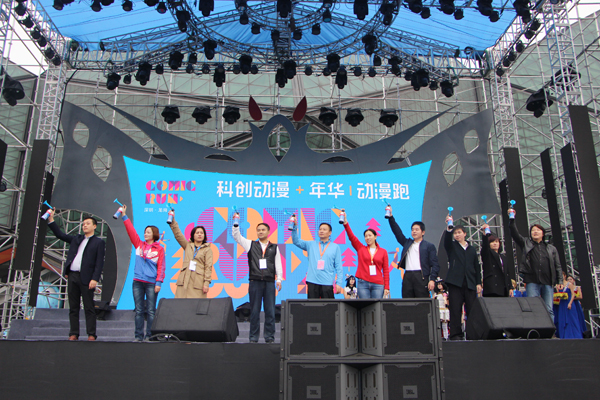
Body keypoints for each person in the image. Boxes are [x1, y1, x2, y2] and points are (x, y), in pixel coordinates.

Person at [47, 210, 106, 341]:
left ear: (94, 226)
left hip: (87, 278)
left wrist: (95, 278)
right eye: (83, 224)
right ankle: (73, 333)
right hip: (73, 275)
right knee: (73, 307)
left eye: (88, 223)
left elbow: (99, 262)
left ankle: (91, 334)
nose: (85, 226)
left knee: (89, 307)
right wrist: (51, 220)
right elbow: (60, 235)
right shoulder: (77, 239)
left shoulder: (98, 242)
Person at [232, 217, 283, 343]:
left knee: (270, 311)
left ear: (268, 232)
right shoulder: (250, 244)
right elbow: (237, 237)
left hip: (269, 282)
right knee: (255, 311)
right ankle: (253, 338)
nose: (260, 232)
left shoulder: (274, 247)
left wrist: (279, 279)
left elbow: (278, 264)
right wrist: (236, 223)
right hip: (255, 281)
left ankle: (269, 337)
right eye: (258, 230)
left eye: (263, 230)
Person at [120, 205, 165, 342]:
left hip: (151, 283)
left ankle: (150, 336)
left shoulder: (159, 249)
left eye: (148, 232)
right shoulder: (139, 244)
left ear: (154, 234)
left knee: (151, 311)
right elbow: (131, 231)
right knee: (139, 311)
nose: (145, 234)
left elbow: (161, 267)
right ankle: (138, 336)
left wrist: (158, 282)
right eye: (145, 232)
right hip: (138, 282)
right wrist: (124, 215)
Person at [508, 208, 563, 317]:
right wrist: (512, 219)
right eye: (533, 230)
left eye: (538, 230)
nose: (535, 232)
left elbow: (557, 266)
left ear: (543, 233)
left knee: (549, 309)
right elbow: (514, 233)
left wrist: (560, 280)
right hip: (532, 280)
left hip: (547, 281)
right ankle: (536, 327)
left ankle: (549, 328)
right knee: (533, 307)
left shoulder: (551, 248)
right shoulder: (526, 243)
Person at [387, 206, 440, 298]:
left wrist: (432, 279)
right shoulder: (407, 243)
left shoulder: (429, 246)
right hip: (408, 276)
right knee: (407, 301)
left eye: (417, 230)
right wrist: (391, 217)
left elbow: (435, 264)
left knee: (422, 302)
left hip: (421, 276)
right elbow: (397, 232)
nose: (414, 231)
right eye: (412, 230)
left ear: (423, 232)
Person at [443, 219, 482, 340]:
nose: (457, 235)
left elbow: (476, 266)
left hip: (470, 282)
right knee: (455, 309)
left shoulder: (471, 249)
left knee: (472, 309)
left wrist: (478, 282)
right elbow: (446, 242)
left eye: (459, 232)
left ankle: (472, 334)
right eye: (455, 233)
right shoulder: (452, 246)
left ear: (465, 233)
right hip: (455, 282)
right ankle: (456, 335)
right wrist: (449, 229)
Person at [292, 221, 343, 298]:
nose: (321, 231)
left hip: (327, 282)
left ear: (330, 233)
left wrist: (338, 283)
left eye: (324, 229)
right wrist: (294, 226)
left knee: (329, 305)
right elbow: (296, 241)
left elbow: (339, 267)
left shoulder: (335, 247)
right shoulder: (311, 244)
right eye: (320, 229)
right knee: (313, 305)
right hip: (312, 282)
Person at [343, 216, 389, 298]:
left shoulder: (383, 251)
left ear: (375, 236)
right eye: (365, 236)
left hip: (378, 284)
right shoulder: (361, 248)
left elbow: (386, 270)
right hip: (363, 283)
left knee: (376, 305)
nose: (367, 238)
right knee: (364, 305)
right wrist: (345, 223)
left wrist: (387, 287)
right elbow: (352, 237)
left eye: (370, 235)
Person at [169, 211, 213, 298]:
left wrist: (206, 283)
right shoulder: (188, 245)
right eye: (197, 233)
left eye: (201, 233)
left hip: (197, 283)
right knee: (181, 304)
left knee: (196, 305)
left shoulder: (207, 249)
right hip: (184, 281)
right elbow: (178, 235)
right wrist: (172, 220)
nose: (199, 235)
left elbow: (208, 267)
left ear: (204, 236)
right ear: (193, 235)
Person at [481, 224, 514, 297]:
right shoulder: (488, 254)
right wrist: (485, 234)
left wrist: (510, 287)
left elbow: (507, 273)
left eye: (496, 242)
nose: (495, 244)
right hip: (492, 287)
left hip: (503, 287)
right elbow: (485, 246)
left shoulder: (503, 257)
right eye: (492, 242)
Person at [554, 272, 586, 339]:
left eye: (562, 275)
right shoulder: (558, 285)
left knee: (572, 319)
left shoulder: (569, 284)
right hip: (562, 303)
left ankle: (575, 335)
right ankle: (564, 335)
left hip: (569, 302)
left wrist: (570, 303)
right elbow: (559, 294)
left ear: (564, 276)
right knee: (562, 319)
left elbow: (573, 294)